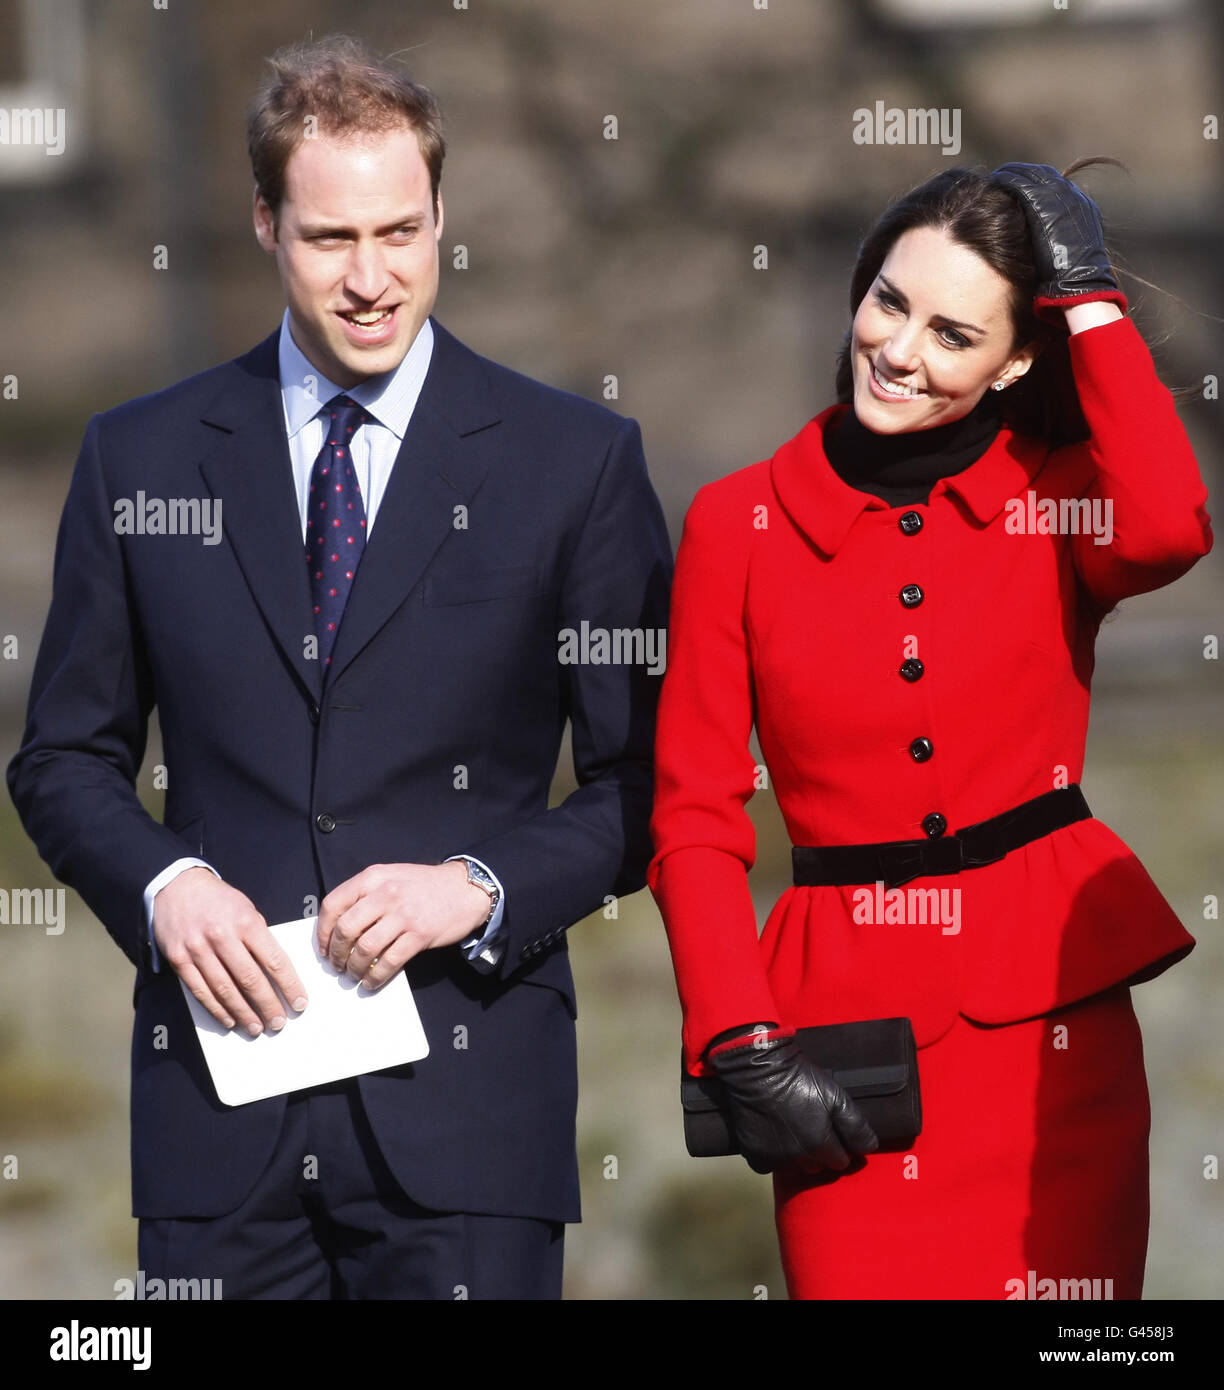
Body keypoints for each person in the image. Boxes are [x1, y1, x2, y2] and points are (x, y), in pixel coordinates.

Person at [7, 34, 671, 1300]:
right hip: (219, 1120)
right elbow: (61, 760)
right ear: (265, 224)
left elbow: (652, 784)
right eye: (329, 240)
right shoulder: (138, 462)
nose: (372, 279)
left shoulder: (573, 464)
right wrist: (167, 889)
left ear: (440, 216)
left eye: (400, 233)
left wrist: (473, 885)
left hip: (471, 1119)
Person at [647, 161, 1212, 1299]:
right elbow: (695, 811)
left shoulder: (1059, 496)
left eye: (954, 333)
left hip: (1056, 1046)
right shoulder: (736, 524)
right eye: (890, 302)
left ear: (1012, 362)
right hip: (845, 1066)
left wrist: (1092, 300)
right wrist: (736, 1034)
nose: (900, 349)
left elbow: (1169, 528)